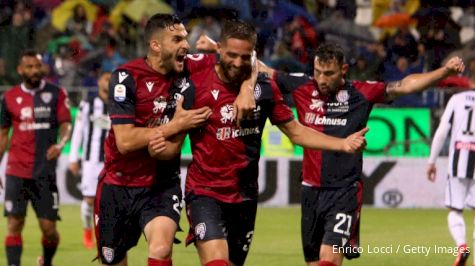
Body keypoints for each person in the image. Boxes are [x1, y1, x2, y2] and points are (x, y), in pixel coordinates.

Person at [148, 19, 368, 266]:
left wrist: (343, 144)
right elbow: (161, 65)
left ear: (252, 54)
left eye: (244, 57)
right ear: (218, 48)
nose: (237, 63)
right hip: (204, 192)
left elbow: (296, 132)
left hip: (245, 196)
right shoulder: (195, 79)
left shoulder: (264, 89)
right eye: (231, 55)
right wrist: (168, 129)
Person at [257, 43, 465, 266]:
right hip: (310, 190)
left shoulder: (361, 92)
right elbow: (262, 69)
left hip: (344, 192)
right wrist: (216, 48)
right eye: (317, 72)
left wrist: (444, 72)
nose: (322, 80)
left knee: (330, 259)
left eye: (329, 74)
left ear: (343, 70)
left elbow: (404, 86)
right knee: (314, 262)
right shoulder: (301, 85)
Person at [95, 14, 255, 266]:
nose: (186, 45)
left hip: (161, 184)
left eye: (186, 38)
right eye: (177, 39)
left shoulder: (191, 66)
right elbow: (124, 141)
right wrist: (176, 125)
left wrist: (247, 88)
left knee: (160, 248)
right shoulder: (126, 77)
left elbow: (246, 60)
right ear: (156, 45)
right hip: (118, 183)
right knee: (113, 260)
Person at [0, 50, 72, 266]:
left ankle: (47, 262)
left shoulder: (57, 93)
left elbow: (66, 124)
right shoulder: (9, 97)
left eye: (37, 66)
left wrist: (60, 144)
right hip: (16, 171)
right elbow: (3, 135)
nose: (34, 71)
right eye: (29, 67)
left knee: (49, 230)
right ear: (20, 70)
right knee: (14, 224)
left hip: (45, 173)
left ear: (43, 68)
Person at [427, 88, 475, 266]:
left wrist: (432, 161)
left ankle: (462, 247)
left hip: (459, 161)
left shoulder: (457, 99)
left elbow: (442, 131)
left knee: (455, 209)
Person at [68, 71, 111, 249]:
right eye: (106, 79)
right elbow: (78, 131)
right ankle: (87, 231)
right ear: (99, 81)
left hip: (112, 161)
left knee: (108, 202)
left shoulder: (120, 106)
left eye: (112, 79)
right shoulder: (87, 105)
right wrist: (73, 157)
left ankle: (105, 234)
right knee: (89, 199)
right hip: (91, 160)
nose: (109, 83)